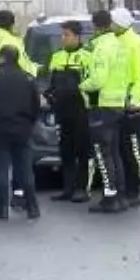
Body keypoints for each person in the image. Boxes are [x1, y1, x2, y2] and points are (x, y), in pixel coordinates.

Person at [80, 10, 131, 213]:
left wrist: (82, 85)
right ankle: (120, 195)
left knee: (103, 153)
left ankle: (110, 198)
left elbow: (98, 79)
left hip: (103, 105)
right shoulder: (119, 45)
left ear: (95, 25)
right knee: (115, 153)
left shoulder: (102, 47)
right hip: (118, 104)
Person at [0, 45, 42, 219]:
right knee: (25, 168)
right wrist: (29, 123)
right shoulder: (28, 78)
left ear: (2, 58)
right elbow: (36, 105)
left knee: (1, 168)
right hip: (23, 129)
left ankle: (1, 208)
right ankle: (32, 207)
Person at [111, 7, 140, 208]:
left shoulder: (136, 43)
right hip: (116, 103)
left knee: (131, 150)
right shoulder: (116, 40)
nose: (110, 26)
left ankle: (133, 190)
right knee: (118, 149)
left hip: (131, 105)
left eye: (113, 22)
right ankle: (122, 189)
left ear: (119, 24)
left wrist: (135, 100)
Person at [47, 20, 92, 203]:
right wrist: (49, 96)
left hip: (81, 110)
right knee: (66, 151)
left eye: (66, 35)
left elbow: (92, 82)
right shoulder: (56, 56)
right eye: (62, 35)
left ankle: (82, 189)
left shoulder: (87, 56)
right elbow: (51, 83)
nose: (63, 39)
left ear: (77, 36)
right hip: (62, 110)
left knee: (83, 151)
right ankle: (68, 188)